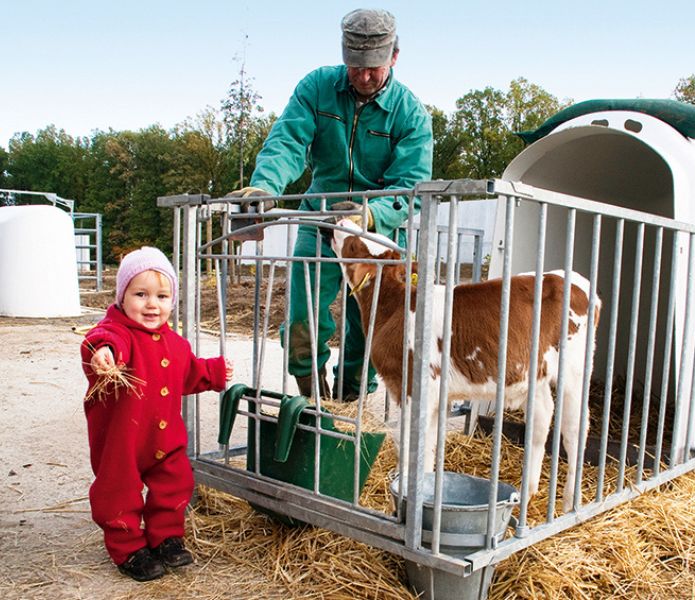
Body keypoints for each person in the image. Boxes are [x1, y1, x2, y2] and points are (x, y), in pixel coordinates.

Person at [229, 8, 433, 401]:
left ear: (394, 57)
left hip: (376, 232)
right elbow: (287, 140)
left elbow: (411, 186)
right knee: (302, 317)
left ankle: (351, 400)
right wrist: (264, 186)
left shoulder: (411, 114)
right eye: (355, 66)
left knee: (371, 321)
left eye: (373, 66)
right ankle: (314, 401)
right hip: (320, 219)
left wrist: (372, 213)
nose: (364, 76)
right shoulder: (317, 88)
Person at [80, 247, 233, 581]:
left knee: (176, 483)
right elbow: (100, 340)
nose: (152, 304)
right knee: (118, 489)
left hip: (165, 437)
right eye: (140, 294)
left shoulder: (175, 343)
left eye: (162, 296)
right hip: (123, 439)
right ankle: (128, 546)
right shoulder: (117, 334)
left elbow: (187, 372)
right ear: (122, 298)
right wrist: (102, 354)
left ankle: (166, 537)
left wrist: (215, 372)